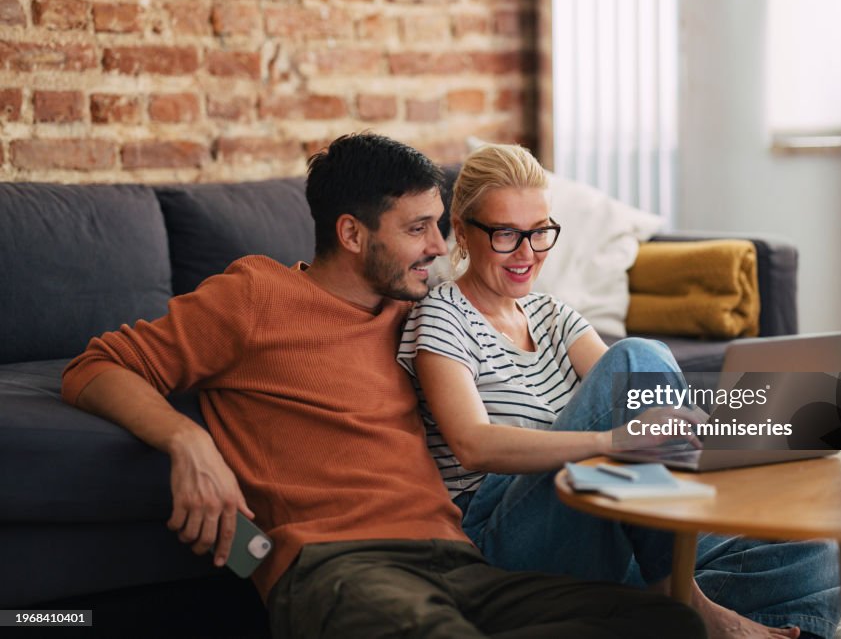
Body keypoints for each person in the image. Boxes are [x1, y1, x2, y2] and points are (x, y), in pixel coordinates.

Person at [61, 133, 705, 639]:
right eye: (418, 228)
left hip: (460, 562)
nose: (439, 247)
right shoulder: (254, 297)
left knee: (667, 623)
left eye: (439, 224)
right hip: (337, 564)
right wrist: (188, 442)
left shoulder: (421, 316)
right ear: (351, 234)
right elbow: (95, 368)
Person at [398, 143, 841, 639]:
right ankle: (688, 606)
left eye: (541, 232)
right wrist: (614, 442)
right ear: (462, 231)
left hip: (603, 520)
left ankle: (663, 612)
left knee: (813, 553)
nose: (528, 254)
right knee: (636, 355)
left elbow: (652, 404)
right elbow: (473, 444)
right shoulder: (441, 315)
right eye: (507, 235)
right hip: (505, 538)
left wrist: (744, 433)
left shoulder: (552, 315)